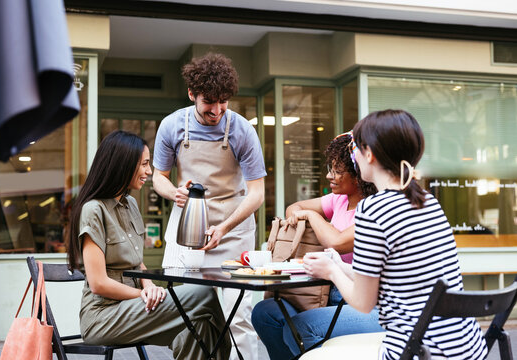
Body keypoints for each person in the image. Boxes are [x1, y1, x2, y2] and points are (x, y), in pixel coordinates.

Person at [304, 110, 487, 359]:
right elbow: (395, 280)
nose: (352, 154)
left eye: (354, 147)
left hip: (416, 350)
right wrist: (338, 264)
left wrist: (331, 272)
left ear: (369, 154)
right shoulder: (428, 202)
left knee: (310, 350)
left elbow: (363, 302)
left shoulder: (373, 209)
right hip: (467, 348)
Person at [67, 130, 230, 360]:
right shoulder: (93, 210)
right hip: (103, 317)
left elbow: (136, 261)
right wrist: (142, 293)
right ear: (123, 164)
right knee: (204, 294)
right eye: (144, 164)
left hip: (133, 308)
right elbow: (98, 283)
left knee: (197, 327)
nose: (149, 171)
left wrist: (149, 285)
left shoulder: (131, 204)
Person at [153, 53, 266, 359]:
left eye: (223, 102)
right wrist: (172, 192)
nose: (217, 110)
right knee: (184, 313)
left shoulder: (243, 130)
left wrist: (225, 227)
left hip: (234, 230)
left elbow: (256, 194)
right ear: (192, 94)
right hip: (188, 227)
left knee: (238, 317)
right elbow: (158, 177)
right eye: (209, 102)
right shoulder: (172, 126)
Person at [252, 132, 383, 360]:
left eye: (337, 171)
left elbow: (337, 242)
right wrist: (306, 215)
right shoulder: (338, 200)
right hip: (323, 290)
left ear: (358, 175)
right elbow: (293, 209)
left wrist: (312, 217)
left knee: (300, 330)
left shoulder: (374, 209)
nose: (328, 176)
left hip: (362, 297)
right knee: (266, 313)